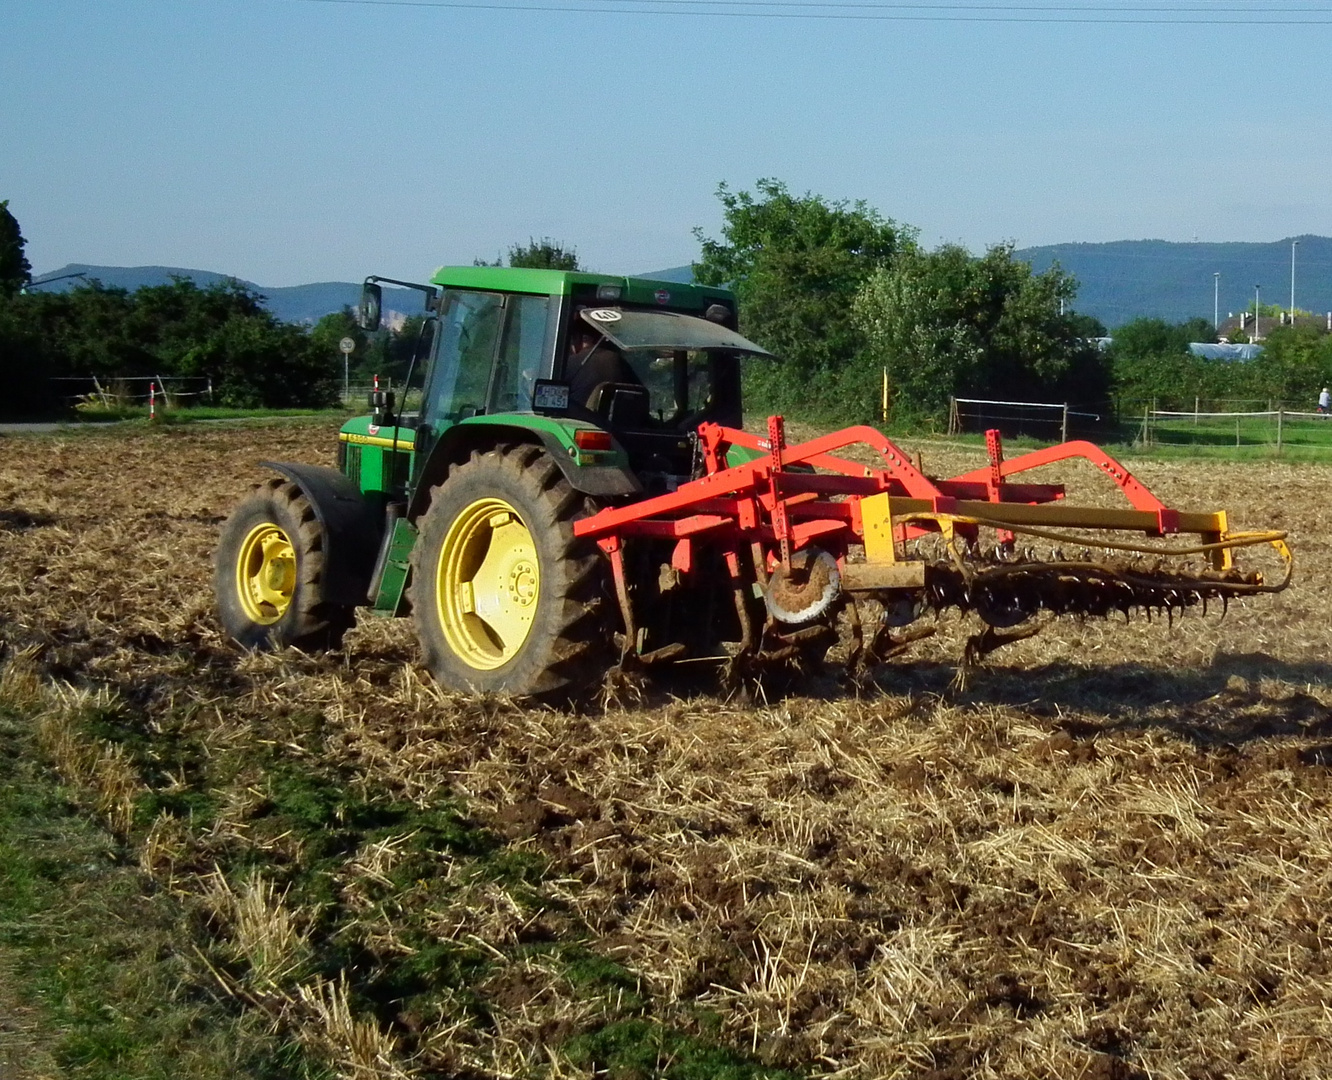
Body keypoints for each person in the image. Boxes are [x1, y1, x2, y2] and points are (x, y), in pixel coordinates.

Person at [564, 324, 637, 408]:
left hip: (579, 418)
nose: (572, 346)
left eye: (574, 339)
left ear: (585, 339)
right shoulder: (620, 362)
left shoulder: (571, 363)